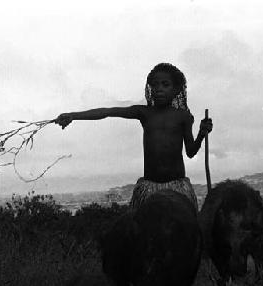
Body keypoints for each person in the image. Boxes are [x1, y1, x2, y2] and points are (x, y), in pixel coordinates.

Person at [55, 63, 213, 211]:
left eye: (165, 85)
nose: (159, 89)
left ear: (176, 89)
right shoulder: (144, 113)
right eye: (155, 85)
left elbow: (191, 152)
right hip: (149, 188)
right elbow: (108, 111)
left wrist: (201, 133)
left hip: (177, 188)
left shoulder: (183, 116)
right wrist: (73, 116)